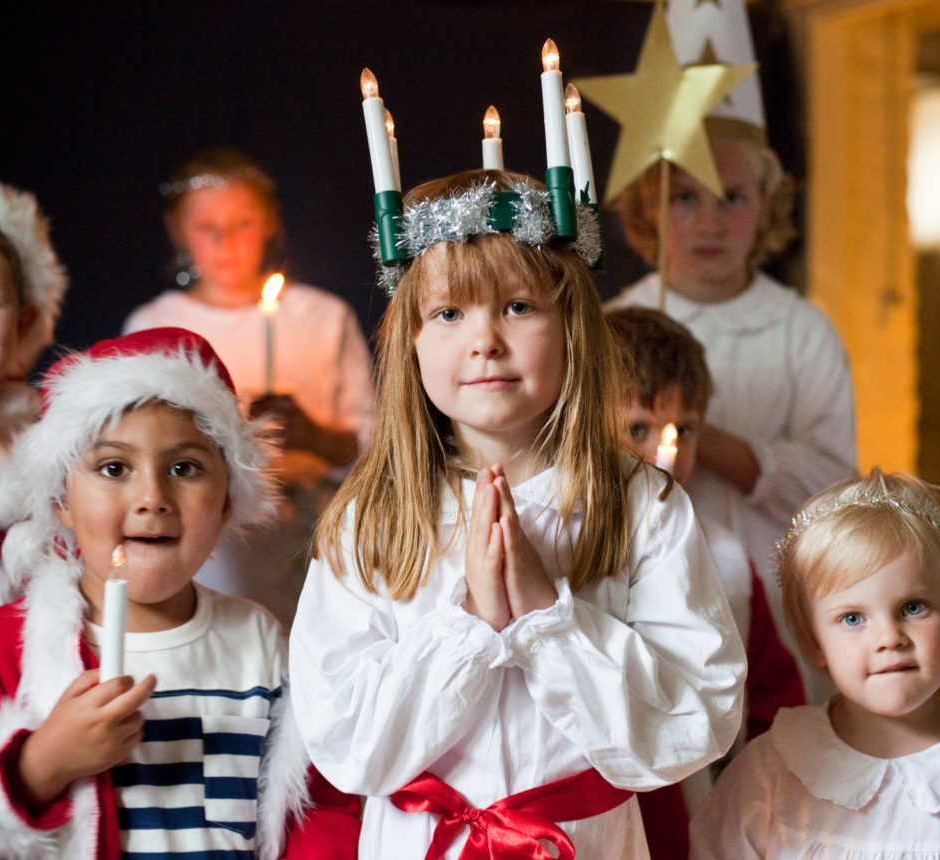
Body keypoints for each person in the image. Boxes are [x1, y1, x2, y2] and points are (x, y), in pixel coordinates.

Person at [289, 169, 747, 859]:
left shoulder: (639, 505)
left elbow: (698, 716)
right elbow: (346, 745)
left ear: (573, 327)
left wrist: (547, 620)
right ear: (411, 341)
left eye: (518, 307)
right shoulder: (371, 520)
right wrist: (467, 626)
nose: (485, 341)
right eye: (449, 314)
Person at [0, 328, 360, 858]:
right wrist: (44, 763)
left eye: (184, 468)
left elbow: (313, 812)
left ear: (226, 501)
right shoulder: (3, 643)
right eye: (114, 468)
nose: (152, 497)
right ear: (61, 497)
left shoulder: (259, 638)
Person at [606, 132, 857, 700]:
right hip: (640, 595)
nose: (709, 223)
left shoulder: (801, 332)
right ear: (651, 206)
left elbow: (833, 484)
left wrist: (697, 435)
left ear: (766, 204)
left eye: (732, 198)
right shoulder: (614, 324)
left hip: (770, 591)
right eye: (685, 198)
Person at [123, 147, 375, 630]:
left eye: (242, 223)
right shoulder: (157, 324)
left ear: (269, 224)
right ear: (178, 230)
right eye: (206, 227)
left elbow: (373, 441)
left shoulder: (322, 317)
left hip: (316, 539)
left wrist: (316, 438)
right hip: (217, 553)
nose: (225, 242)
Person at [689, 468, 940, 858]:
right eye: (852, 618)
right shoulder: (771, 775)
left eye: (913, 608)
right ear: (815, 641)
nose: (888, 638)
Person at [607, 306, 804, 859]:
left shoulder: (726, 559)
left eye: (683, 430)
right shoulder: (567, 547)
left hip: (695, 820)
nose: (663, 453)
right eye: (638, 429)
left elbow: (770, 696)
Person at [0, 167, 67, 630]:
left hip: (12, 661)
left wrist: (10, 474)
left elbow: (65, 554)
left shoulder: (42, 427)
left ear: (24, 323)